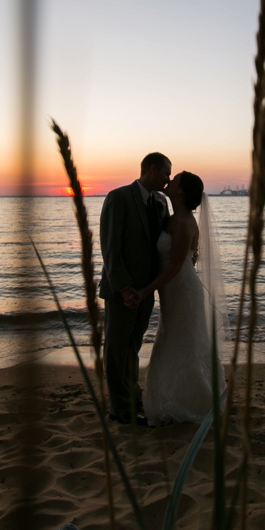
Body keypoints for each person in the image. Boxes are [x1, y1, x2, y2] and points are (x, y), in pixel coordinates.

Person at [136, 171, 227, 425]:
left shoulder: (185, 222)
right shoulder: (171, 218)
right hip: (173, 291)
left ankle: (192, 402)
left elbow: (176, 267)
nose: (169, 182)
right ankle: (173, 399)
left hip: (183, 291)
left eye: (174, 180)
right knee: (174, 340)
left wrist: (144, 291)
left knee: (182, 342)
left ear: (181, 191)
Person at [98, 152, 171, 426]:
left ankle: (132, 395)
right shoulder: (119, 197)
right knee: (117, 348)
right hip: (122, 291)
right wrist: (124, 288)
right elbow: (110, 247)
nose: (168, 179)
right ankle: (119, 409)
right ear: (152, 169)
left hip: (147, 290)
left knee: (134, 345)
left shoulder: (161, 202)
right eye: (166, 173)